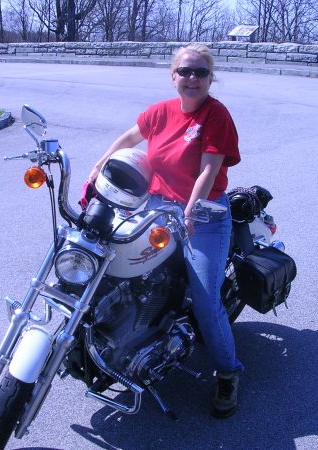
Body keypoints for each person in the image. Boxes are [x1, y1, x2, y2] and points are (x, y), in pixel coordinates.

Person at [87, 43, 243, 418]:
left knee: (206, 301)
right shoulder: (160, 112)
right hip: (156, 206)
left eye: (200, 72)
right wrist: (98, 167)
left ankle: (228, 375)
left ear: (210, 78)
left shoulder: (215, 115)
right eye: (185, 71)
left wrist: (189, 213)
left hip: (203, 213)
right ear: (173, 76)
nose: (192, 78)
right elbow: (127, 140)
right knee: (115, 265)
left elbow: (208, 170)